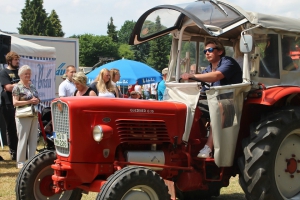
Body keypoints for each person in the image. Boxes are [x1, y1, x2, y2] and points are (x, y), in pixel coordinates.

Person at [181, 39, 242, 158]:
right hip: (212, 100)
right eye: (205, 51)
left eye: (210, 50)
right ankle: (189, 142)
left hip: (230, 102)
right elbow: (203, 85)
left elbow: (216, 76)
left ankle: (208, 147)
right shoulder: (207, 69)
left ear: (220, 51)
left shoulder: (228, 62)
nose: (207, 53)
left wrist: (193, 76)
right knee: (189, 106)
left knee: (218, 106)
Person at [12, 65, 40, 168]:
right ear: (21, 75)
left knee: (33, 138)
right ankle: (20, 162)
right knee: (23, 139)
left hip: (33, 114)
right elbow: (15, 103)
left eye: (29, 73)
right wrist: (29, 101)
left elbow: (37, 97)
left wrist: (37, 100)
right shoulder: (17, 87)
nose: (28, 75)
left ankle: (32, 160)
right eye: (26, 74)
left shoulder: (32, 86)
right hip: (23, 115)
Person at [0, 51, 20, 160]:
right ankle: (14, 151)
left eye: (18, 60)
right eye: (15, 60)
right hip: (8, 104)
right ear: (9, 61)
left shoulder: (20, 72)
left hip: (20, 103)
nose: (17, 62)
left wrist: (15, 85)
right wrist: (20, 84)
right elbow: (8, 87)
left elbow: (28, 84)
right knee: (11, 128)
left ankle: (22, 151)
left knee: (19, 128)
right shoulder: (4, 72)